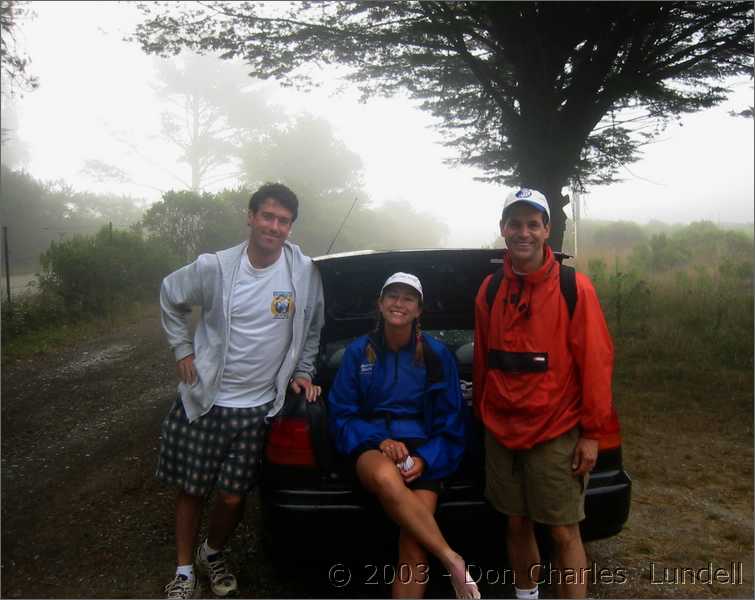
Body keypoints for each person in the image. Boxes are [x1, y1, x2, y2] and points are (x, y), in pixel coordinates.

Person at [158, 183, 324, 599]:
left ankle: (211, 552)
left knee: (233, 498)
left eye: (283, 220)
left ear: (291, 227)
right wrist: (182, 348)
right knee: (192, 489)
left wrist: (303, 369)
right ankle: (183, 571)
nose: (274, 226)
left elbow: (313, 325)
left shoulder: (302, 271)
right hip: (208, 400)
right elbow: (170, 294)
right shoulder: (215, 266)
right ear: (250, 217)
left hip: (259, 408)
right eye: (267, 216)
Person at [473, 188, 614, 600]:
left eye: (532, 224)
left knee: (563, 530)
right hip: (501, 430)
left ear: (546, 230)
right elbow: (483, 356)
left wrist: (592, 433)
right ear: (502, 229)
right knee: (516, 524)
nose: (523, 233)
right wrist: (483, 412)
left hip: (556, 430)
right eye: (514, 224)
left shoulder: (575, 288)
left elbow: (597, 361)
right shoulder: (489, 288)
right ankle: (526, 596)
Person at [328, 273, 481, 600]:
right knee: (384, 475)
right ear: (380, 304)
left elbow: (452, 419)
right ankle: (451, 558)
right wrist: (379, 439)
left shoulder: (437, 355)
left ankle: (437, 555)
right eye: (392, 296)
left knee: (413, 545)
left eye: (408, 298)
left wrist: (426, 459)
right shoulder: (359, 352)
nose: (399, 303)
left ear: (419, 309)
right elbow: (342, 412)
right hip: (373, 449)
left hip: (424, 454)